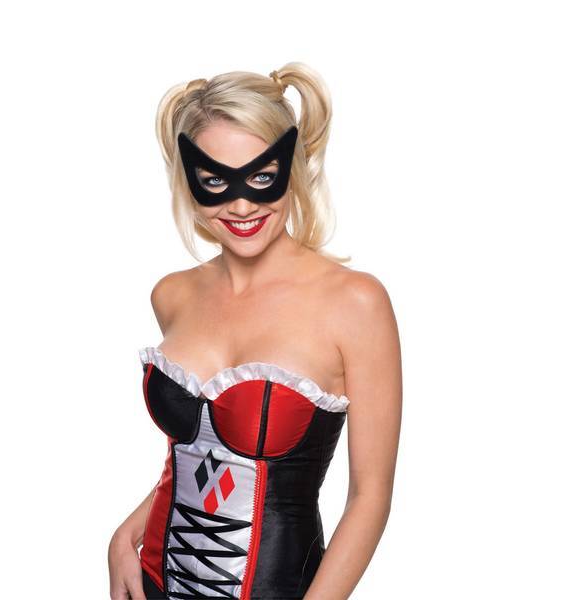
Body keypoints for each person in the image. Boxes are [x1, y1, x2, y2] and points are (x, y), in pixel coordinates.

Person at [108, 61, 402, 600]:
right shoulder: (173, 294)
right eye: (214, 181)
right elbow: (196, 453)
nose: (242, 205)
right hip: (151, 580)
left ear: (294, 167)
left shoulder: (355, 303)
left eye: (263, 177)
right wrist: (124, 535)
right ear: (189, 182)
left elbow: (370, 497)